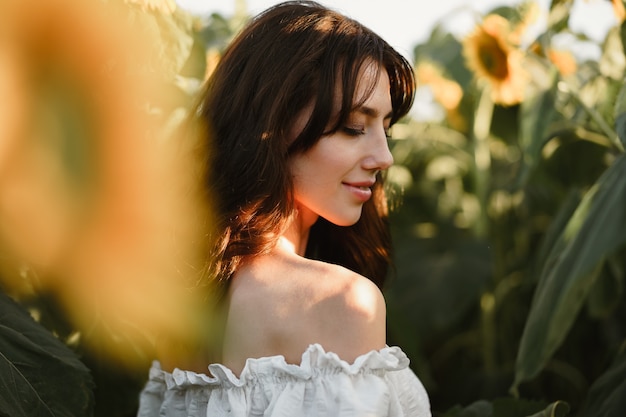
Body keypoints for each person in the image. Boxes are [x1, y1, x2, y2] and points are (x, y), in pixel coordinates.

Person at [137, 1, 431, 415]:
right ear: (272, 124)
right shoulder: (342, 302)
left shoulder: (183, 304)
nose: (384, 158)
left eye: (384, 129)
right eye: (353, 127)